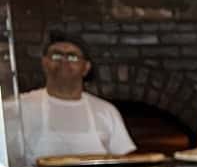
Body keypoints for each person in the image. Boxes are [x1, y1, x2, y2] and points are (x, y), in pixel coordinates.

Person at [19, 32, 135, 160]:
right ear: (44, 62)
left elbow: (124, 161)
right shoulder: (19, 107)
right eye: (56, 55)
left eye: (72, 57)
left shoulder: (107, 111)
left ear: (86, 67)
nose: (64, 61)